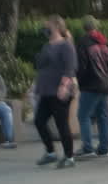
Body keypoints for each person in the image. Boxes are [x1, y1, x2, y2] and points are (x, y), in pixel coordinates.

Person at [33, 16, 78, 168]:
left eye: (48, 26)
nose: (46, 29)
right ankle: (51, 152)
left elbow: (70, 68)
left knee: (61, 124)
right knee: (39, 121)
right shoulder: (47, 46)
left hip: (59, 91)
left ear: (57, 27)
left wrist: (64, 86)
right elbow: (41, 66)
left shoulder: (66, 46)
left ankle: (69, 156)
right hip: (46, 91)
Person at [75, 16, 108, 158]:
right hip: (105, 84)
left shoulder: (83, 42)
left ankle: (87, 148)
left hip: (91, 85)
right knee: (102, 116)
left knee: (83, 115)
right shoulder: (104, 42)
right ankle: (104, 148)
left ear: (84, 28)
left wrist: (80, 84)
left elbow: (81, 67)